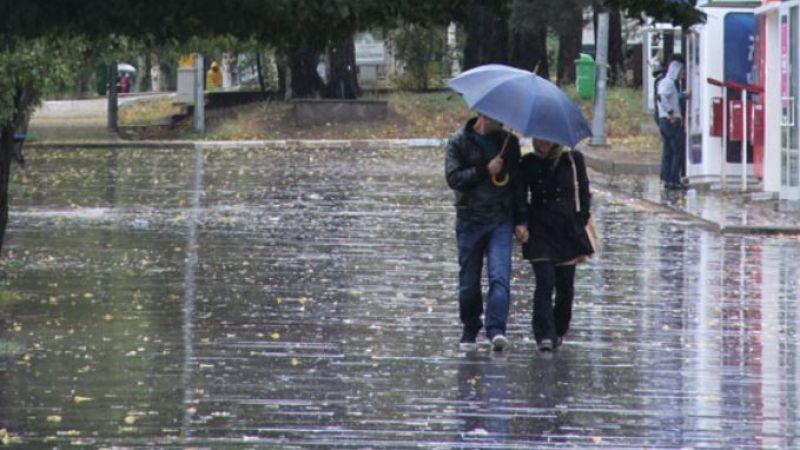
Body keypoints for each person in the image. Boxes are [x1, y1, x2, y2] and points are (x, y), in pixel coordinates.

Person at [445, 113, 528, 352]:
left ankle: (496, 329)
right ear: (482, 115)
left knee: (500, 276)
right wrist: (485, 170)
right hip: (469, 220)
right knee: (469, 283)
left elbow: (517, 183)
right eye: (495, 117)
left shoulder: (508, 143)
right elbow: (453, 178)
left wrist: (521, 219)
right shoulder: (459, 142)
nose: (500, 121)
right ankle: (470, 327)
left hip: (500, 219)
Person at [519, 139, 592, 352]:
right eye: (537, 138)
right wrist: (521, 222)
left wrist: (581, 219)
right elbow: (521, 196)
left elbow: (584, 191)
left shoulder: (573, 159)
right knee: (545, 281)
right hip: (540, 229)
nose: (540, 142)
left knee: (565, 286)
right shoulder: (528, 162)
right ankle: (544, 334)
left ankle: (559, 329)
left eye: (545, 138)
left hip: (567, 229)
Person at [657, 57, 687, 190]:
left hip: (665, 121)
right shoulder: (668, 83)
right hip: (671, 121)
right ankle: (674, 179)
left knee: (669, 150)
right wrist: (670, 113)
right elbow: (661, 96)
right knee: (677, 151)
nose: (683, 75)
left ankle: (667, 178)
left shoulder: (666, 82)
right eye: (681, 72)